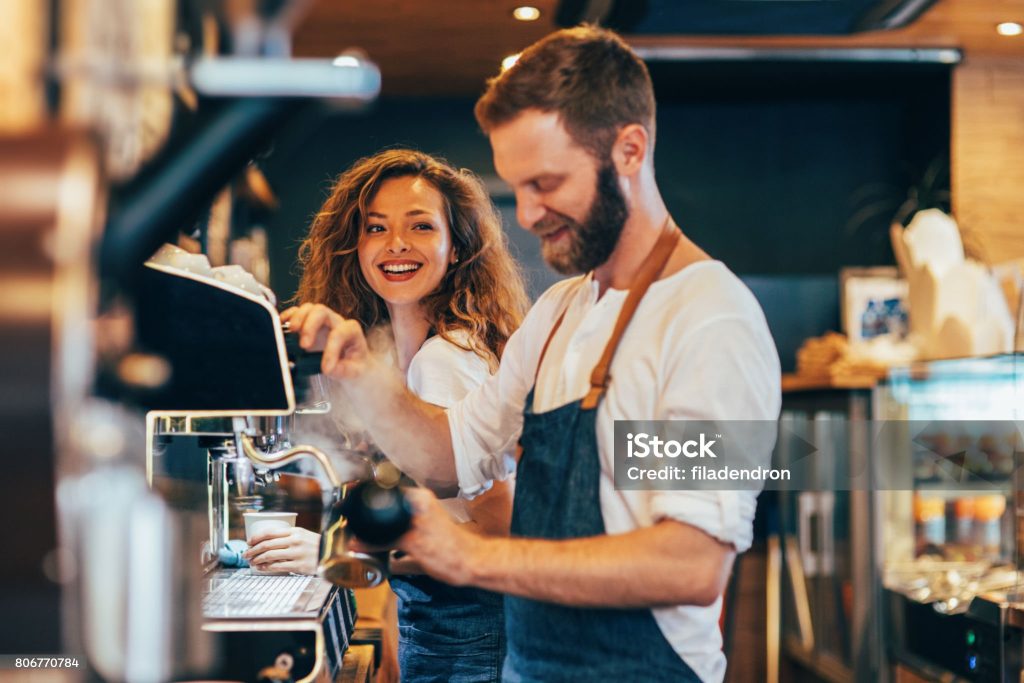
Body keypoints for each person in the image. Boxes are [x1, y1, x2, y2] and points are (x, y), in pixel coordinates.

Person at [283, 26, 781, 683]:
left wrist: (469, 555)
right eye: (517, 187)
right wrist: (361, 375)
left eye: (546, 182)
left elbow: (688, 563)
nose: (525, 213)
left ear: (629, 149)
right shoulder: (559, 314)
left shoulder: (708, 321)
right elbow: (452, 452)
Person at [246, 149, 530, 682]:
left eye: (420, 226)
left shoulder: (446, 358)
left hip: (475, 634)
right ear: (355, 246)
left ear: (457, 246)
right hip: (452, 626)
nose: (396, 243)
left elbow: (500, 533)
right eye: (376, 227)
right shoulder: (413, 352)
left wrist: (334, 552)